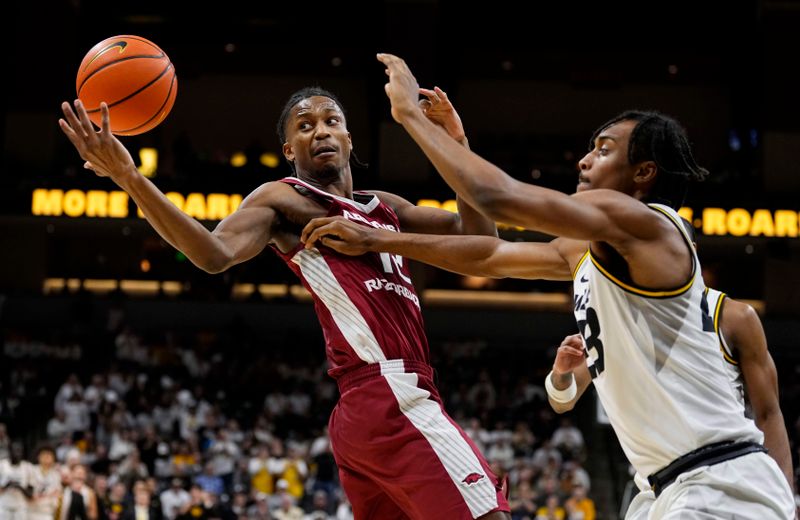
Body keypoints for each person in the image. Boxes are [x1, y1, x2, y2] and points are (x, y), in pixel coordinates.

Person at [299, 53, 795, 517]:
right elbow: (489, 253)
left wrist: (408, 114)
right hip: (662, 489)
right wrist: (377, 238)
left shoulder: (645, 224)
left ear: (643, 173)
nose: (584, 161)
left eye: (603, 151)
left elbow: (496, 196)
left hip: (721, 480)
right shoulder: (592, 250)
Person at [59, 86, 509, 519]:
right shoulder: (284, 198)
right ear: (289, 149)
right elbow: (212, 254)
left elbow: (482, 239)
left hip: (381, 406)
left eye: (332, 121)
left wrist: (457, 143)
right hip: (389, 393)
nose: (321, 131)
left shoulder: (386, 207)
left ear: (349, 138)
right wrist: (129, 177)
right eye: (305, 125)